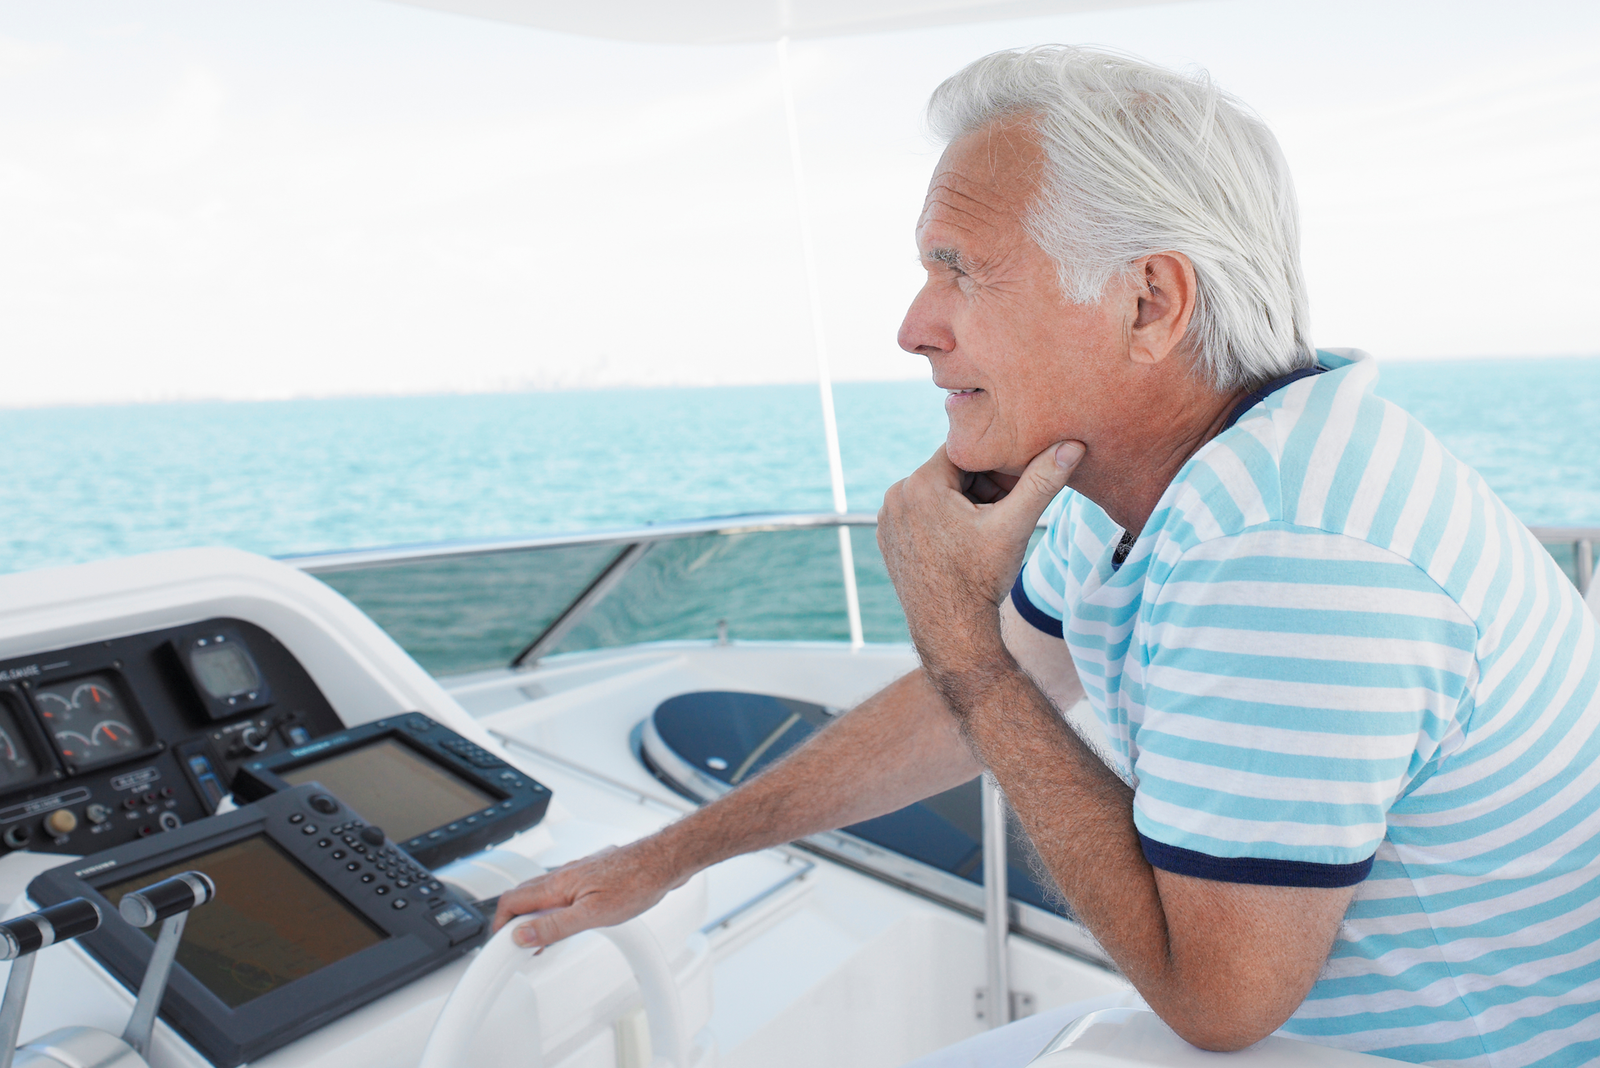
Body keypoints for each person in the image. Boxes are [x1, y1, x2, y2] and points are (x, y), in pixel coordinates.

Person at [495, 46, 1600, 1066]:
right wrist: (671, 856)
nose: (915, 325)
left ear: (1147, 303)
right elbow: (964, 703)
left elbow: (1217, 1002)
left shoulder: (1285, 555)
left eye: (961, 269)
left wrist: (962, 644)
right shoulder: (1164, 470)